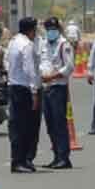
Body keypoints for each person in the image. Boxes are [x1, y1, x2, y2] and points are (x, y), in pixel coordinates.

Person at [6, 17, 42, 173]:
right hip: (24, 89)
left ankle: (20, 160)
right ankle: (20, 161)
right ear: (31, 30)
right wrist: (34, 91)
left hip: (14, 86)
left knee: (16, 126)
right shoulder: (27, 45)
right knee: (26, 127)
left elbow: (7, 63)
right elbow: (30, 70)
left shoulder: (13, 42)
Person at [39, 17, 75, 169]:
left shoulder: (64, 44)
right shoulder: (43, 44)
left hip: (58, 87)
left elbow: (69, 67)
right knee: (50, 124)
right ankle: (56, 156)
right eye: (48, 29)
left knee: (59, 123)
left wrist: (52, 76)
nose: (51, 32)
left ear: (58, 30)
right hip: (45, 88)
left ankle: (64, 157)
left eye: (53, 29)